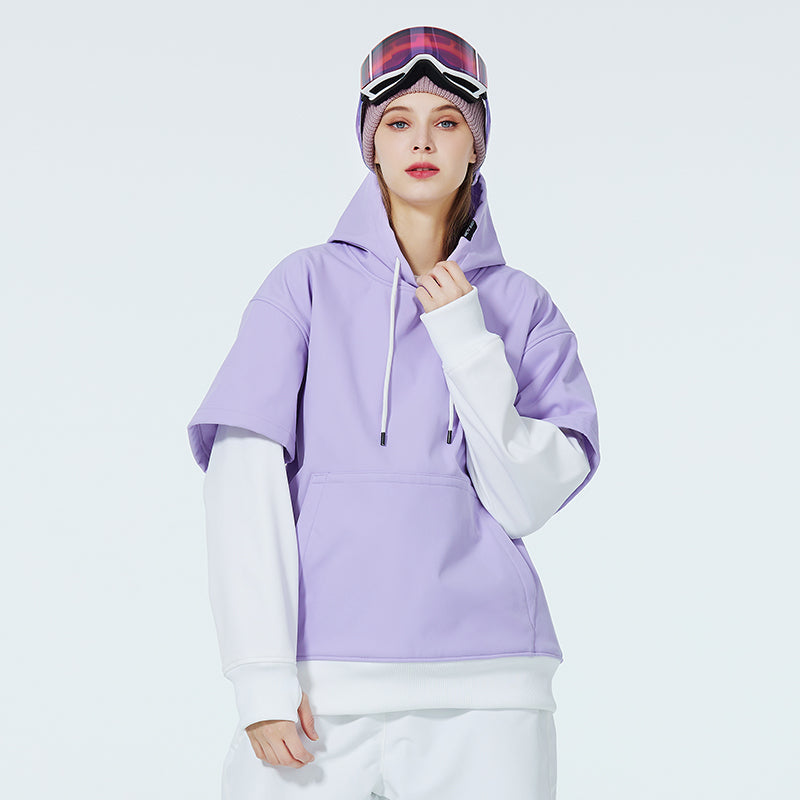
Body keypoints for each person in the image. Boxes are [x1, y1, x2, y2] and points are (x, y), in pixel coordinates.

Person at [187, 25, 601, 800]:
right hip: (322, 684)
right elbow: (243, 478)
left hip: (490, 684)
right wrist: (261, 676)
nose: (422, 141)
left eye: (448, 122)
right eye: (398, 122)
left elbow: (526, 501)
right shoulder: (303, 286)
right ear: (370, 145)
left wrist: (466, 341)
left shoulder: (522, 306)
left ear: (475, 147)